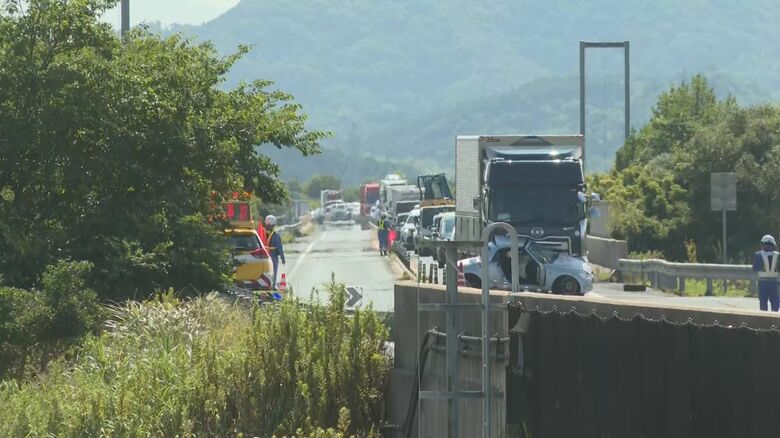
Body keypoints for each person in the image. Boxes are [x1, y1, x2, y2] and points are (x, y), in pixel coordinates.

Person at [752, 234, 779, 311]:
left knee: (763, 304)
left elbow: (755, 268)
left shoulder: (758, 255)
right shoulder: (778, 255)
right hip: (775, 283)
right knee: (775, 304)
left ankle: (764, 318)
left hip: (763, 282)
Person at [265, 215, 286, 289]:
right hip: (273, 254)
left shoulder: (261, 233)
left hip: (263, 255)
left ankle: (265, 284)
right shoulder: (276, 235)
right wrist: (282, 258)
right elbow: (280, 248)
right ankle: (273, 285)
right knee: (274, 270)